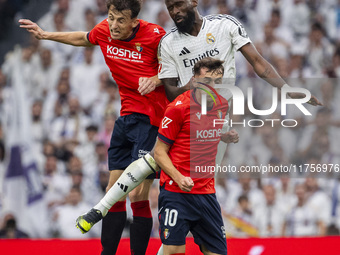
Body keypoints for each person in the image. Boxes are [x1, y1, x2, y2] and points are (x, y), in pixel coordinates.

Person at [63, 0, 323, 240]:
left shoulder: (226, 25)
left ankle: (107, 211)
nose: (175, 11)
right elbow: (171, 91)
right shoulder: (168, 43)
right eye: (170, 7)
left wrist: (288, 90)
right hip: (186, 115)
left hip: (219, 120)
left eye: (179, 4)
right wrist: (189, 84)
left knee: (193, 192)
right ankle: (99, 210)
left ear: (194, 2)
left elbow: (259, 63)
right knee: (158, 165)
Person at [19, 0, 168, 254]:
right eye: (111, 17)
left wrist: (156, 79)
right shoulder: (105, 30)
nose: (114, 25)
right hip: (126, 119)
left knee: (136, 196)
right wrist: (45, 35)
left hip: (152, 120)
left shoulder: (155, 35)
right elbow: (83, 38)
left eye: (121, 20)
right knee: (113, 193)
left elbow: (179, 68)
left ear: (135, 21)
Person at [154, 57, 238, 255]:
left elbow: (203, 134)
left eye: (217, 82)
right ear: (194, 81)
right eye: (207, 81)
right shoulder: (178, 108)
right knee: (174, 252)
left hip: (206, 193)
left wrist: (224, 136)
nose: (213, 87)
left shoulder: (221, 105)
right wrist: (179, 177)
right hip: (177, 193)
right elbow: (159, 152)